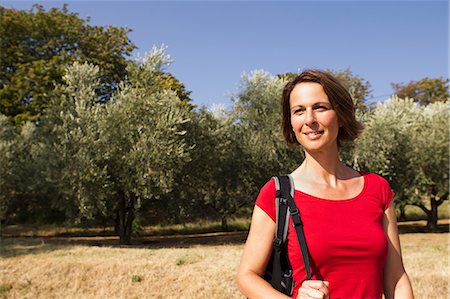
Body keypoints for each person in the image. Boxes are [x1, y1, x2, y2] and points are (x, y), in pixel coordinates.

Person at [236, 69, 414, 299]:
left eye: (320, 107)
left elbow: (396, 278)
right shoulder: (277, 194)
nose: (309, 119)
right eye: (299, 111)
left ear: (340, 116)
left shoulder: (377, 188)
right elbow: (247, 276)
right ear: (291, 123)